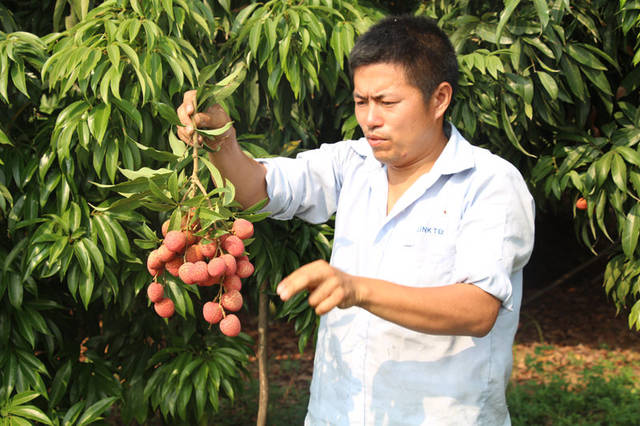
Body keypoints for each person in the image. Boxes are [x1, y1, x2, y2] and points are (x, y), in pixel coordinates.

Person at [177, 15, 535, 426]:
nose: (370, 119)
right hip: (338, 414)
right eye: (361, 102)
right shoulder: (353, 163)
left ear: (439, 99)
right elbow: (257, 189)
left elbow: (477, 310)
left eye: (387, 102)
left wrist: (357, 289)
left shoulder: (489, 183)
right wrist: (222, 139)